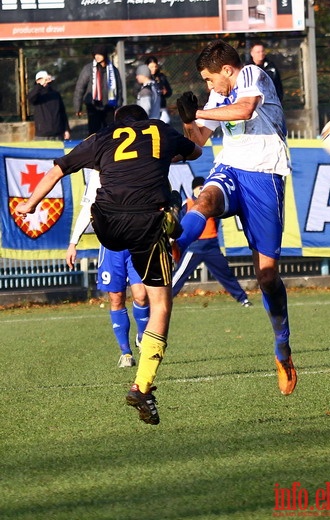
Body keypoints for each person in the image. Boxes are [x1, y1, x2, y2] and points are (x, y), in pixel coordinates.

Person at [15, 104, 202, 425]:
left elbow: (57, 169)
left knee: (125, 211)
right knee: (160, 300)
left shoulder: (101, 136)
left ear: (117, 123)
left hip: (107, 224)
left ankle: (164, 222)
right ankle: (142, 386)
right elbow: (196, 151)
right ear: (144, 121)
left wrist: (30, 203)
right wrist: (186, 129)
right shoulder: (159, 129)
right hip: (145, 220)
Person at [174, 39, 297, 396]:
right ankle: (174, 247)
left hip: (265, 176)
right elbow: (197, 146)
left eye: (210, 80)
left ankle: (282, 347)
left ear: (227, 70)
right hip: (230, 168)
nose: (209, 87)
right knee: (206, 198)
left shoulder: (251, 75)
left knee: (267, 276)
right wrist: (187, 121)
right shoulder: (217, 96)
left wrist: (199, 113)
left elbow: (243, 110)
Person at [65, 168, 150, 368]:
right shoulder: (99, 173)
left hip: (137, 241)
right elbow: (88, 208)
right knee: (116, 297)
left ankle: (142, 337)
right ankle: (126, 352)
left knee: (141, 295)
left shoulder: (137, 164)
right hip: (111, 246)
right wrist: (73, 243)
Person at [173, 176, 252, 307]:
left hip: (211, 246)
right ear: (193, 189)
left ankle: (243, 299)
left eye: (204, 187)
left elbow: (217, 220)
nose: (202, 190)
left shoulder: (211, 204)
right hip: (195, 246)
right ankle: (164, 298)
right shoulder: (187, 204)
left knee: (225, 273)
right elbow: (181, 224)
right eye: (199, 188)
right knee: (179, 275)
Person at [73, 44, 123, 135]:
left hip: (109, 106)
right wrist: (77, 107)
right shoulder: (88, 69)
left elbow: (119, 90)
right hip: (93, 106)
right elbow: (80, 88)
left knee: (110, 133)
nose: (97, 57)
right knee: (94, 133)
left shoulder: (113, 70)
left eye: (99, 54)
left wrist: (118, 108)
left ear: (104, 54)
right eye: (95, 54)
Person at [28, 70, 70, 141]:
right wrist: (40, 85)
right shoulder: (36, 95)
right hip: (42, 135)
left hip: (58, 133)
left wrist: (66, 129)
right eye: (43, 79)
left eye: (46, 79)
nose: (45, 81)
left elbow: (62, 112)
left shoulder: (55, 94)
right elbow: (30, 98)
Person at [146, 56, 173, 124]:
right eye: (151, 67)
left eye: (155, 66)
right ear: (147, 66)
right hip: (150, 109)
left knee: (165, 124)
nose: (154, 69)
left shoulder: (161, 77)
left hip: (161, 107)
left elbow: (169, 91)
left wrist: (165, 92)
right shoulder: (144, 78)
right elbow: (136, 91)